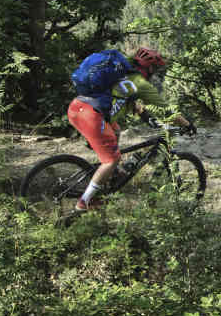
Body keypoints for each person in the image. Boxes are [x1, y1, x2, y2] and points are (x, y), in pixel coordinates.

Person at [66, 46, 193, 212]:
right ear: (150, 68)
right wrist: (187, 124)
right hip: (91, 116)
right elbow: (167, 110)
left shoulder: (121, 74)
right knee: (111, 160)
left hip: (77, 108)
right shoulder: (140, 83)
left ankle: (110, 175)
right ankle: (84, 202)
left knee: (116, 130)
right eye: (155, 70)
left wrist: (145, 115)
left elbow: (125, 99)